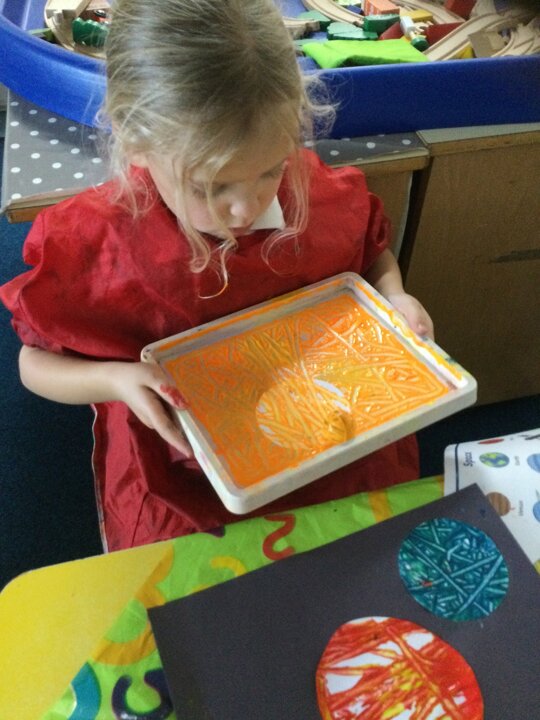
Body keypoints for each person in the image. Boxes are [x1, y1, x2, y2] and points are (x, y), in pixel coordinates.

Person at [0, 0, 433, 552]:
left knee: (371, 559)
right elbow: (34, 364)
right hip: (182, 468)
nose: (246, 208)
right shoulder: (95, 243)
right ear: (136, 141)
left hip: (331, 431)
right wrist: (116, 381)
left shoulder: (313, 193)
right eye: (212, 187)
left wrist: (395, 297)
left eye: (270, 170)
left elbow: (371, 256)